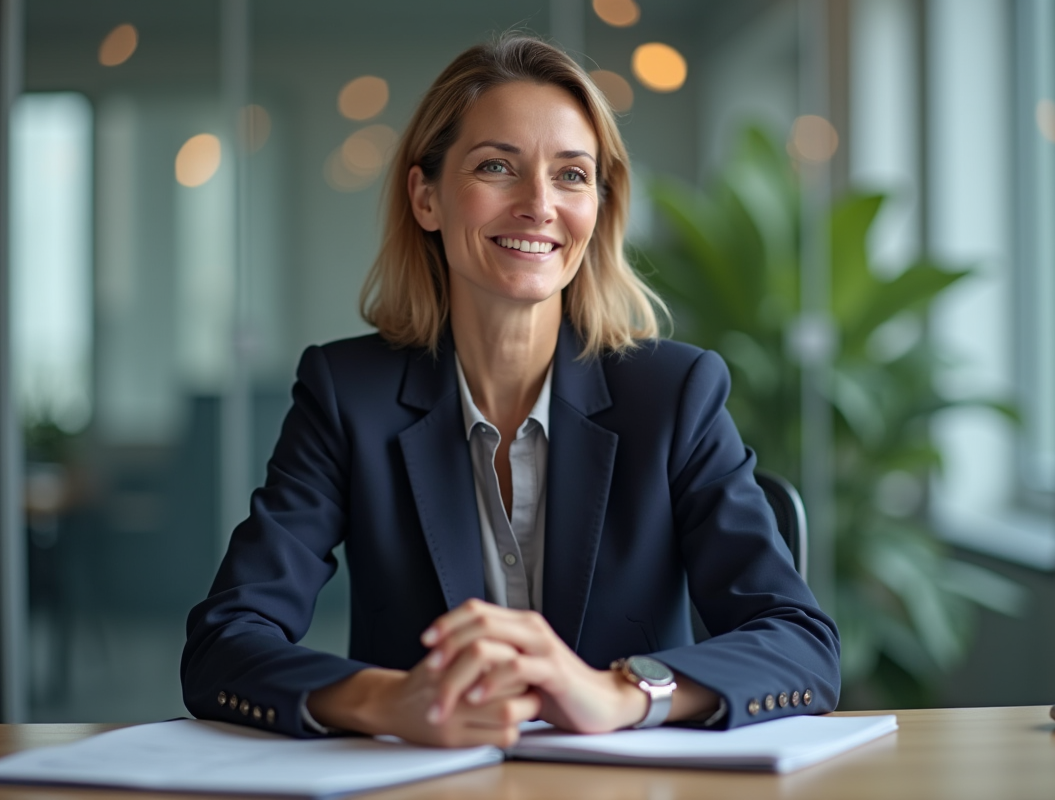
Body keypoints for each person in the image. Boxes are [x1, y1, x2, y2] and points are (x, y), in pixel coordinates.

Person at [181, 34, 840, 748]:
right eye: (497, 166)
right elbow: (226, 640)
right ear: (426, 196)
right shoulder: (347, 396)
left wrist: (618, 693)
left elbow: (800, 643)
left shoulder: (674, 393)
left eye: (571, 175)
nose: (538, 205)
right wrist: (387, 700)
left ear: (598, 207)